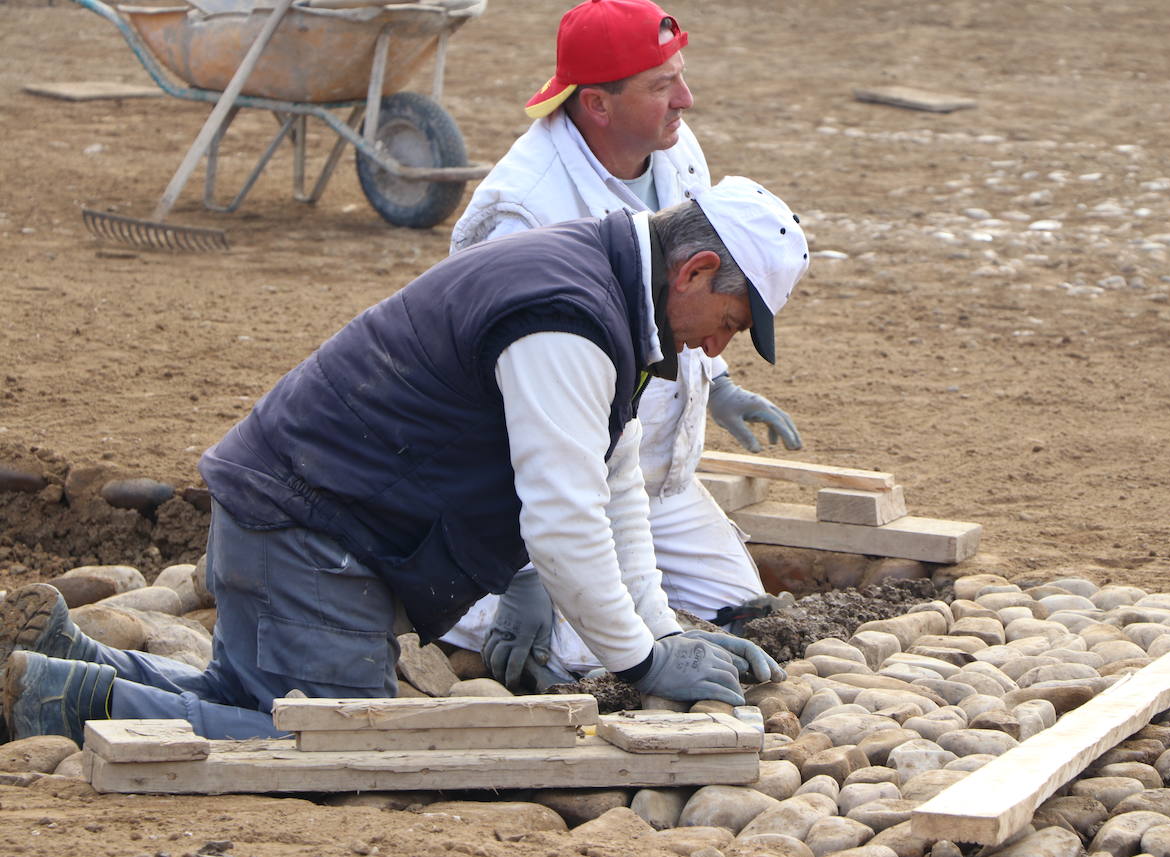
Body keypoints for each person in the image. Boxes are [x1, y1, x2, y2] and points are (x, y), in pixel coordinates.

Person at [0, 176, 808, 744]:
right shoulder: (572, 316)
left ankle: (76, 666)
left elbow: (614, 480)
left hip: (295, 511)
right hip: (312, 532)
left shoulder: (604, 287)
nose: (717, 346)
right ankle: (55, 702)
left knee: (248, 701)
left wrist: (663, 631)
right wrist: (641, 659)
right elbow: (565, 521)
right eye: (731, 321)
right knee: (329, 743)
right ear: (696, 270)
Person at [446, 0, 802, 689]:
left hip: (649, 479)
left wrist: (718, 377)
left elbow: (697, 270)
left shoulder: (675, 148)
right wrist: (523, 567)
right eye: (662, 85)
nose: (686, 99)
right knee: (585, 659)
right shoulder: (526, 209)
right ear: (600, 105)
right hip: (533, 486)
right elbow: (501, 403)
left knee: (749, 618)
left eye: (681, 75)